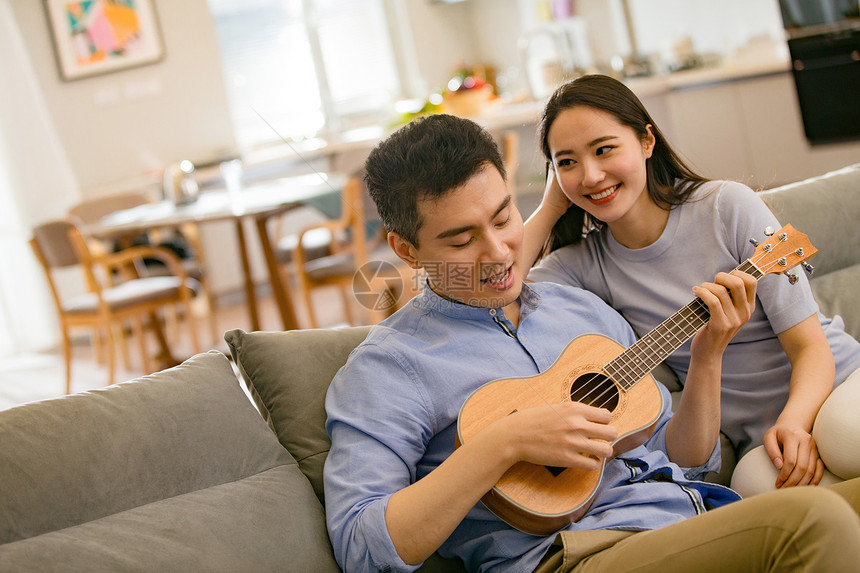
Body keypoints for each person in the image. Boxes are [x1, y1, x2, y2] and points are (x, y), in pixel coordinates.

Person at [322, 113, 860, 573]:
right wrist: (501, 444)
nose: (499, 252)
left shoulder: (577, 308)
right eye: (461, 239)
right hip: (576, 554)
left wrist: (708, 354)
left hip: (691, 513)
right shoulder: (390, 366)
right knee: (819, 518)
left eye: (504, 217)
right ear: (406, 250)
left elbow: (688, 459)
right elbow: (361, 546)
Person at [523, 74, 860, 495]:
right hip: (763, 440)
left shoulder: (725, 206)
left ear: (647, 142)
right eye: (568, 162)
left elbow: (811, 346)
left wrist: (796, 423)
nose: (591, 175)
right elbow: (492, 292)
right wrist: (551, 205)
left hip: (834, 387)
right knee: (752, 488)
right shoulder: (583, 266)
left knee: (845, 438)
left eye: (604, 149)